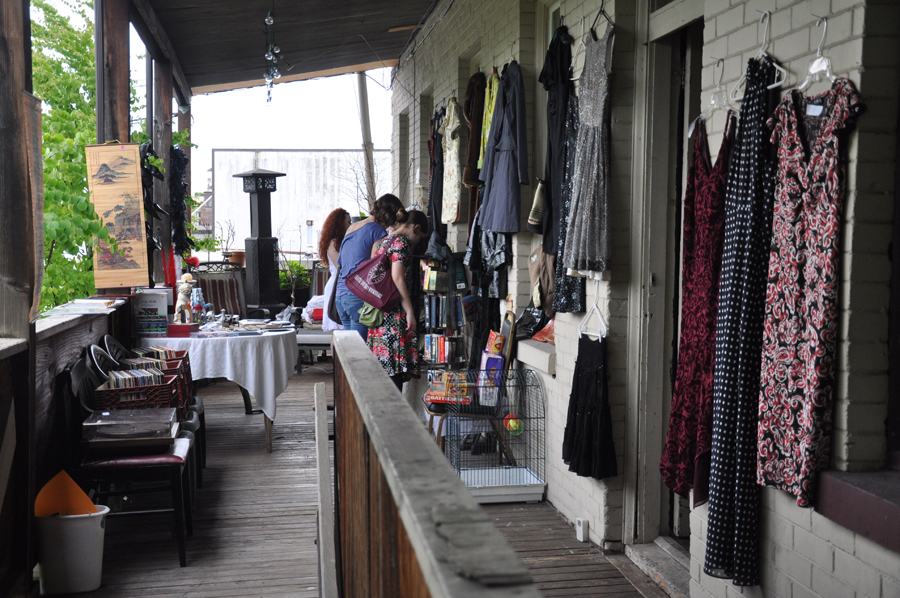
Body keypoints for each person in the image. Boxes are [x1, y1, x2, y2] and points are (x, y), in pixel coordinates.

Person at [367, 209, 428, 390]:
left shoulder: (384, 241)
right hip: (393, 313)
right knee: (394, 371)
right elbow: (397, 278)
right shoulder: (402, 242)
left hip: (380, 310)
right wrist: (409, 311)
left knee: (383, 369)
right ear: (416, 228)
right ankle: (394, 408)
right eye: (420, 236)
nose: (418, 241)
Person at [335, 194, 404, 339]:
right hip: (357, 295)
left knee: (349, 347)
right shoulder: (377, 231)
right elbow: (376, 265)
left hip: (341, 295)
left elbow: (340, 262)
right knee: (359, 349)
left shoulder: (352, 227)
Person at [319, 208, 351, 332]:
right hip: (336, 285)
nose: (350, 225)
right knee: (337, 330)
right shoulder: (333, 244)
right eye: (348, 222)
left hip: (342, 284)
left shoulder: (343, 241)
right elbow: (341, 266)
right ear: (340, 224)